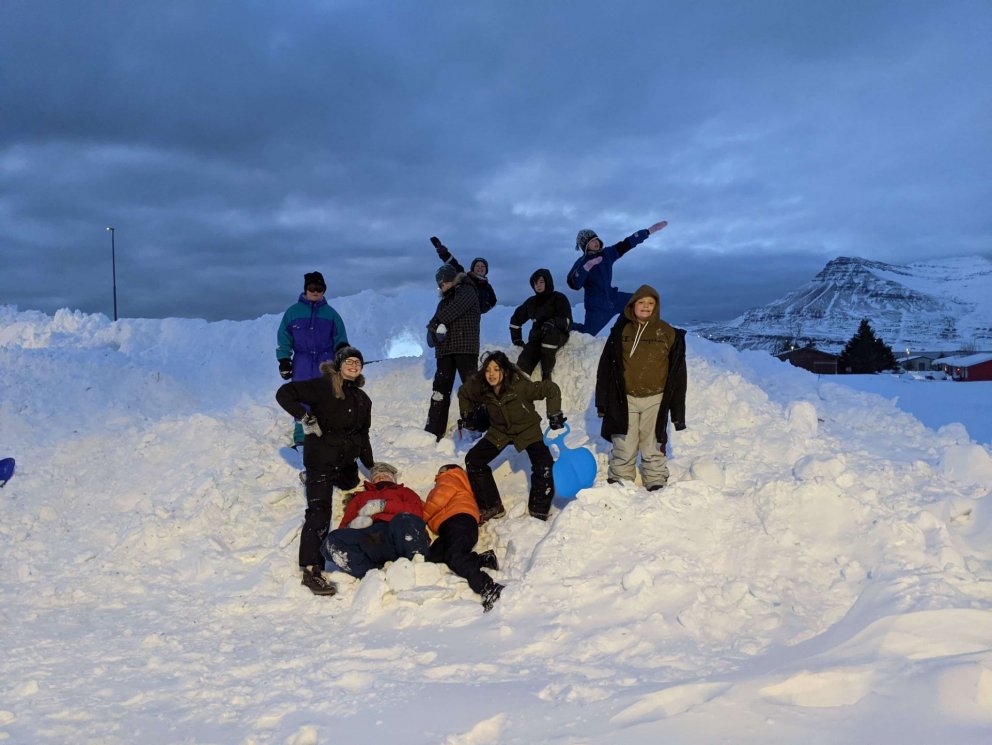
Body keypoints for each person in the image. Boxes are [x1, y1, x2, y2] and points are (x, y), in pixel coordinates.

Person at [275, 345, 373, 595]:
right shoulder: (323, 386)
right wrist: (303, 417)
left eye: (357, 363)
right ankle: (311, 569)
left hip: (345, 463)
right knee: (319, 511)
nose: (353, 365)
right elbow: (284, 393)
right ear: (339, 365)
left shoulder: (363, 399)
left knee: (354, 486)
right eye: (349, 361)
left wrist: (372, 466)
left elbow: (363, 436)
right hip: (320, 459)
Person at [595, 285, 687, 491]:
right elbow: (605, 367)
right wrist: (602, 402)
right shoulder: (621, 330)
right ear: (633, 305)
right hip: (624, 397)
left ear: (656, 307)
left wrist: (678, 413)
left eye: (650, 303)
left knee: (651, 441)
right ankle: (621, 476)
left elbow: (679, 375)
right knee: (624, 441)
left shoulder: (668, 332)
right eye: (641, 303)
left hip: (655, 397)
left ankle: (654, 478)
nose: (646, 307)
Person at [457, 350, 566, 523]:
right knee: (473, 460)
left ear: (504, 371)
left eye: (496, 369)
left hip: (527, 429)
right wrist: (467, 414)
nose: (491, 374)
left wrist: (554, 414)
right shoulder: (483, 388)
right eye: (487, 370)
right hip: (499, 431)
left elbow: (551, 389)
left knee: (544, 465)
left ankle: (538, 510)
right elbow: (463, 392)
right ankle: (492, 506)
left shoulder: (521, 386)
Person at [276, 271, 349, 447]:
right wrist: (284, 360)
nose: (315, 292)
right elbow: (284, 337)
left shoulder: (331, 314)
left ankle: (325, 432)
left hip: (326, 362)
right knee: (301, 397)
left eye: (320, 289)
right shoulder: (292, 313)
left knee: (327, 396)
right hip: (302, 361)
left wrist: (342, 359)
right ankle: (301, 436)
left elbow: (341, 339)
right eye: (312, 288)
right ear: (305, 289)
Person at [321, 462, 429, 581]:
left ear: (393, 478)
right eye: (377, 475)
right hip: (368, 538)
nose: (381, 477)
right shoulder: (359, 497)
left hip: (395, 533)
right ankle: (372, 573)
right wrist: (353, 525)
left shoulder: (405, 492)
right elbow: (344, 525)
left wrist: (384, 506)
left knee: (404, 518)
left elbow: (416, 512)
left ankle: (417, 566)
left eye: (385, 474)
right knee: (332, 540)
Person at [566, 220, 669, 336]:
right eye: (591, 241)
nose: (596, 242)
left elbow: (627, 243)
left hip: (613, 299)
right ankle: (564, 324)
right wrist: (586, 268)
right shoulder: (581, 262)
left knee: (641, 302)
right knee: (587, 334)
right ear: (585, 245)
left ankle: (631, 332)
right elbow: (573, 284)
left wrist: (648, 231)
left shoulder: (607, 254)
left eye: (596, 239)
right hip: (597, 307)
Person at [424, 464, 503, 612]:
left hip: (458, 521)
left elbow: (437, 500)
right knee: (434, 556)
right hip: (454, 526)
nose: (437, 476)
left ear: (447, 470)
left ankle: (487, 587)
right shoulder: (463, 483)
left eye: (439, 471)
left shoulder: (450, 478)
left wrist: (421, 517)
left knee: (455, 556)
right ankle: (484, 559)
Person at [425, 263, 482, 441]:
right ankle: (434, 430)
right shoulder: (443, 302)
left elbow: (456, 308)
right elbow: (432, 332)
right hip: (445, 352)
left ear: (452, 278)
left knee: (472, 388)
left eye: (444, 282)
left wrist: (436, 322)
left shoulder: (467, 290)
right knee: (439, 391)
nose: (442, 286)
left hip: (465, 347)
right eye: (440, 284)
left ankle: (479, 425)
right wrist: (434, 334)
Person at [509, 268, 572, 381]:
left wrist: (553, 322)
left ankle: (546, 374)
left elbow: (567, 320)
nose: (538, 285)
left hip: (556, 335)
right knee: (526, 357)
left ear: (548, 282)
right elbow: (516, 319)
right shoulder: (531, 302)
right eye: (535, 283)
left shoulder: (559, 298)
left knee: (549, 337)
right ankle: (519, 385)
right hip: (537, 337)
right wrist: (516, 338)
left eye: (541, 282)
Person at [431, 236, 497, 313]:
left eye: (483, 266)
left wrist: (482, 309)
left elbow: (493, 300)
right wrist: (444, 253)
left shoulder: (487, 286)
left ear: (486, 270)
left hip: (474, 319)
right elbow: (454, 264)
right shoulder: (466, 278)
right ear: (473, 268)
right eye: (477, 266)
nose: (480, 268)